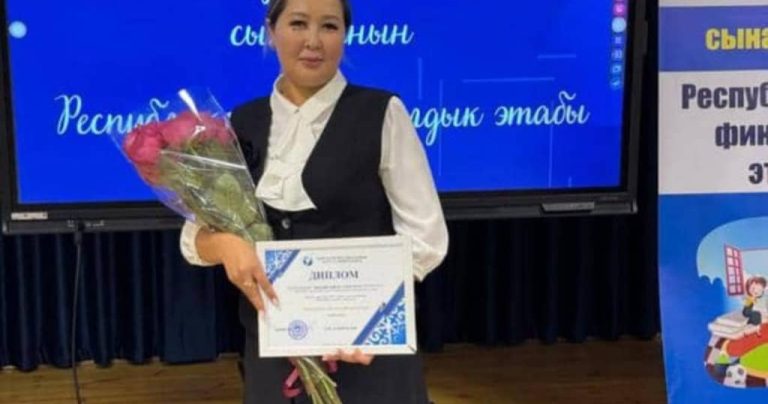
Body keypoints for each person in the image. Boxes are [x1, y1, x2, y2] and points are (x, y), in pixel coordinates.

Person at [179, 0, 449, 402]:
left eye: (329, 26)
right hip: (273, 352)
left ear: (345, 35)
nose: (313, 41)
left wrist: (367, 318)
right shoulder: (241, 123)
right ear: (271, 32)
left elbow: (426, 236)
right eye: (298, 23)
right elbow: (194, 238)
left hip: (366, 353)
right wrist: (226, 246)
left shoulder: (382, 113)